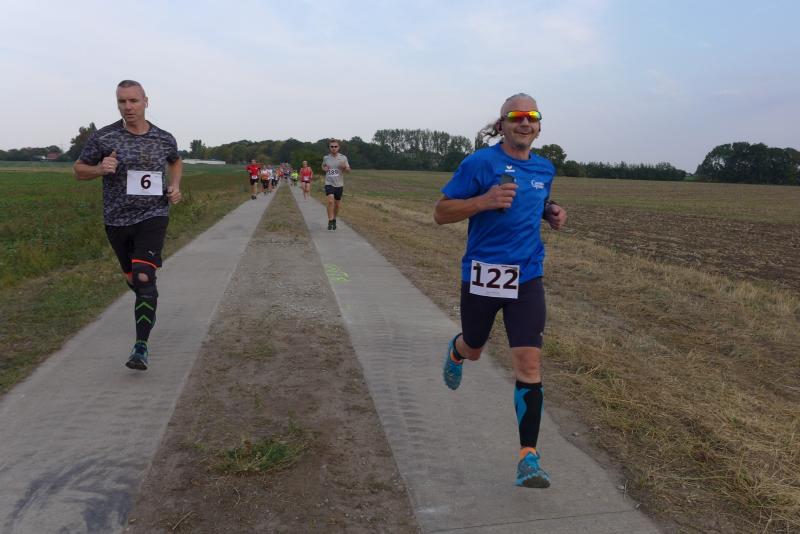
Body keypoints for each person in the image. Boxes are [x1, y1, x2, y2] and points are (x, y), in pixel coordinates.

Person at [433, 93, 567, 488]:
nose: (524, 122)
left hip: (527, 276)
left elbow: (537, 199)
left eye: (532, 116)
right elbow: (441, 213)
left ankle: (529, 457)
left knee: (529, 364)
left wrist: (551, 211)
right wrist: (483, 201)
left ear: (538, 126)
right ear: (502, 124)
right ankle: (458, 350)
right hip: (483, 274)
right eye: (516, 116)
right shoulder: (480, 163)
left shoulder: (544, 167)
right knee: (475, 348)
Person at [73, 79, 183, 371]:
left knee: (144, 276)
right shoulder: (104, 137)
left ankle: (140, 347)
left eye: (133, 100)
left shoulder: (163, 138)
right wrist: (100, 169)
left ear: (146, 101)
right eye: (122, 101)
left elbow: (175, 161)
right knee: (135, 279)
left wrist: (175, 186)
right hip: (116, 220)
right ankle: (146, 295)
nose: (128, 107)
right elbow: (79, 170)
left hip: (153, 215)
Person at [321, 139, 350, 230]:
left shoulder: (343, 158)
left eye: (335, 146)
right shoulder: (326, 158)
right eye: (332, 146)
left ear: (338, 147)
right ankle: (330, 220)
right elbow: (323, 166)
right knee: (330, 201)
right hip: (329, 182)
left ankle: (334, 219)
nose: (334, 148)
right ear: (329, 148)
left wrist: (344, 167)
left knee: (337, 205)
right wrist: (324, 169)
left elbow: (349, 171)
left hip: (339, 184)